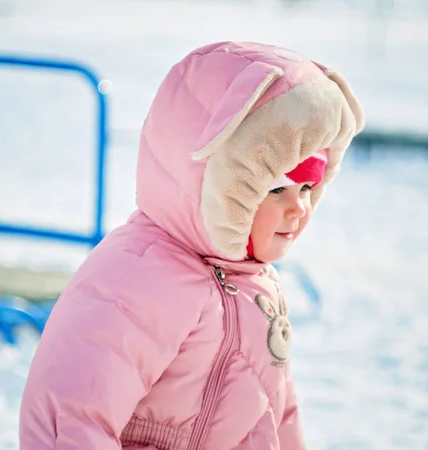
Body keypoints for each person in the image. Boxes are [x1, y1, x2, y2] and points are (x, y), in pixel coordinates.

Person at [19, 41, 365, 449]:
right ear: (212, 182)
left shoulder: (260, 285)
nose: (299, 208)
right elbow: (71, 416)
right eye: (276, 189)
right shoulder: (138, 279)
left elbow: (278, 412)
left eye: (308, 187)